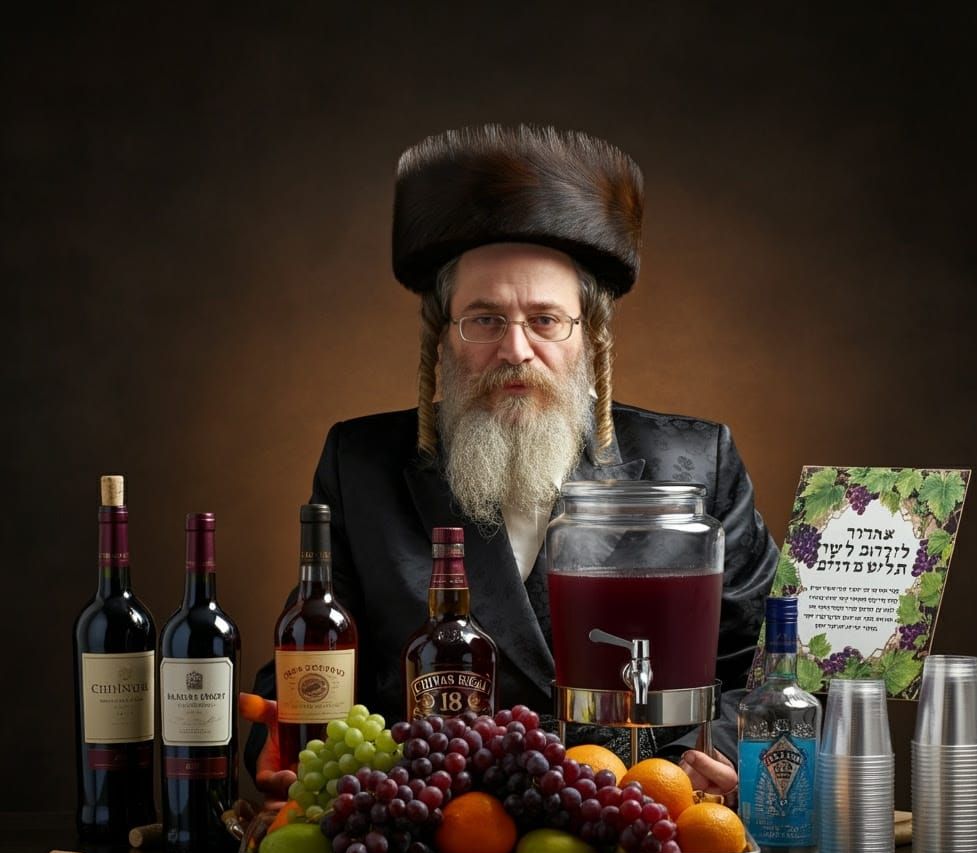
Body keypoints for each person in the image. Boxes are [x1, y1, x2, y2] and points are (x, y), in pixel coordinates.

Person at [244, 123, 779, 806]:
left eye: (546, 320)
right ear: (444, 340)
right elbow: (314, 655)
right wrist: (279, 739)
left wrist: (719, 758)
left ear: (590, 338)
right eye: (485, 320)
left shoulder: (698, 462)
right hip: (432, 837)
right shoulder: (362, 464)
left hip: (646, 825)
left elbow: (767, 663)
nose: (516, 351)